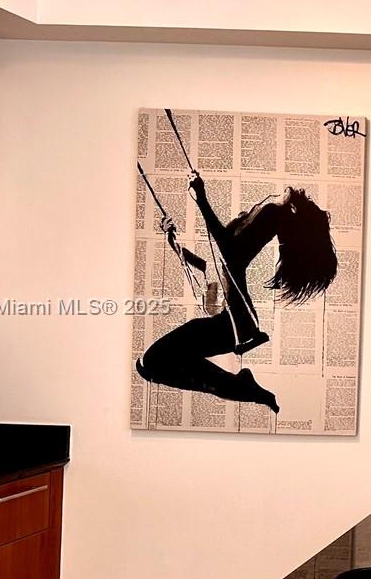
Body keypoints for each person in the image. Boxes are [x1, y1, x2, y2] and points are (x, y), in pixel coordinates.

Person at [136, 173, 338, 413]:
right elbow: (204, 263)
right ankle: (241, 385)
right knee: (160, 361)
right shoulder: (265, 218)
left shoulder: (272, 214)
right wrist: (172, 240)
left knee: (152, 362)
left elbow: (227, 250)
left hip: (233, 324)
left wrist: (202, 198)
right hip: (234, 323)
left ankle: (241, 386)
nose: (243, 214)